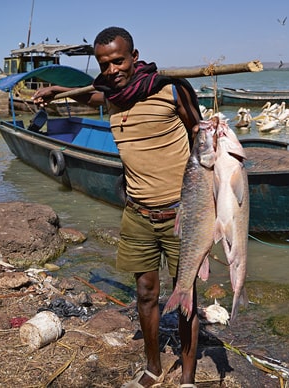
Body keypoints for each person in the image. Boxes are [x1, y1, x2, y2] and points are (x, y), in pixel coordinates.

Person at [33, 27, 202, 387]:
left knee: (186, 295)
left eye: (119, 60)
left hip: (181, 215)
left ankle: (188, 377)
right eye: (104, 63)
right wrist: (57, 91)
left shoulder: (171, 89)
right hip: (138, 214)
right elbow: (93, 97)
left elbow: (202, 141)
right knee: (145, 294)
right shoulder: (113, 97)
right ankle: (153, 369)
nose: (112, 69)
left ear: (134, 57)